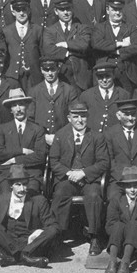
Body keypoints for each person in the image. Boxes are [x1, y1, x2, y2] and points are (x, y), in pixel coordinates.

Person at [49, 101, 110, 255]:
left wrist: (84, 172)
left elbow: (104, 162)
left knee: (94, 195)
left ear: (87, 117)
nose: (79, 120)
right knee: (60, 193)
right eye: (75, 116)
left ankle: (94, 236)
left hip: (89, 179)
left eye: (83, 116)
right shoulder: (61, 135)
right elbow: (54, 161)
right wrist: (69, 173)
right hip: (68, 179)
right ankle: (57, 234)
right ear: (69, 118)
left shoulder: (97, 136)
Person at [0, 165, 59, 268]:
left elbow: (53, 225)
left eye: (25, 184)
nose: (22, 189)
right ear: (11, 185)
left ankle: (19, 256)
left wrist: (40, 231)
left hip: (30, 242)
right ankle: (26, 258)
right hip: (9, 242)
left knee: (53, 230)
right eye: (18, 185)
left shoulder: (39, 200)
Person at [0, 88, 47, 194]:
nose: (18, 109)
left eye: (21, 104)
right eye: (14, 106)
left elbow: (40, 156)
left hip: (30, 173)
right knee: (6, 196)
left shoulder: (37, 129)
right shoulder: (2, 129)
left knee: (30, 197)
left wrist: (14, 160)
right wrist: (22, 150)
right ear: (10, 110)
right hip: (6, 173)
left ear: (27, 106)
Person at [91, 0, 137, 93]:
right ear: (107, 10)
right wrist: (118, 44)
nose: (117, 13)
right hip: (105, 73)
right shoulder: (100, 27)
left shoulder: (131, 28)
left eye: (119, 9)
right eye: (114, 10)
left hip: (127, 73)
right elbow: (96, 43)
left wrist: (118, 51)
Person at [41, 0, 93, 91]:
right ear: (56, 11)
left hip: (81, 76)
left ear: (72, 9)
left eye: (68, 9)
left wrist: (66, 44)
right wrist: (69, 53)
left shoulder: (82, 28)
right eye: (61, 10)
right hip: (60, 77)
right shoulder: (50, 30)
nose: (65, 12)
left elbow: (84, 45)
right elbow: (49, 50)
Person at [28, 58, 79, 145]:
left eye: (52, 69)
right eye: (46, 70)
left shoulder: (69, 90)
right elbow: (29, 118)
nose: (49, 73)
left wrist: (61, 135)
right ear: (41, 70)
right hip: (40, 140)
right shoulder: (34, 91)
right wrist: (43, 136)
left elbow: (75, 116)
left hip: (64, 139)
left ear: (58, 69)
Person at [3, 0, 43, 91]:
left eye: (24, 10)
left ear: (29, 11)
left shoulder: (38, 29)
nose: (21, 13)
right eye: (18, 10)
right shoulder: (6, 31)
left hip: (34, 77)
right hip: (13, 77)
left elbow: (43, 53)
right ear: (13, 12)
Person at [79, 61, 131, 134]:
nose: (104, 80)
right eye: (100, 77)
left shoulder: (124, 95)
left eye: (107, 76)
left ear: (113, 75)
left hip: (115, 137)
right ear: (96, 78)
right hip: (93, 138)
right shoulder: (86, 95)